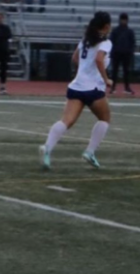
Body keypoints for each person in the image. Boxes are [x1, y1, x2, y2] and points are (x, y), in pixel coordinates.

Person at [39, 12, 113, 170]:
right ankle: (90, 152)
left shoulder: (86, 40)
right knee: (104, 118)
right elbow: (99, 59)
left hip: (76, 86)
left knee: (66, 121)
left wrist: (85, 71)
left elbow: (74, 58)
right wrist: (106, 79)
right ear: (106, 26)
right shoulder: (106, 42)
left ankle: (47, 148)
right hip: (93, 89)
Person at [109, 13, 136, 95]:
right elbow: (111, 41)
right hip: (116, 53)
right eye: (122, 19)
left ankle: (127, 88)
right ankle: (112, 87)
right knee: (114, 71)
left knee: (126, 71)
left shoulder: (130, 31)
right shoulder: (115, 30)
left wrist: (130, 52)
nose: (123, 21)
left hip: (126, 54)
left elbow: (133, 42)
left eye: (125, 20)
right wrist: (112, 51)